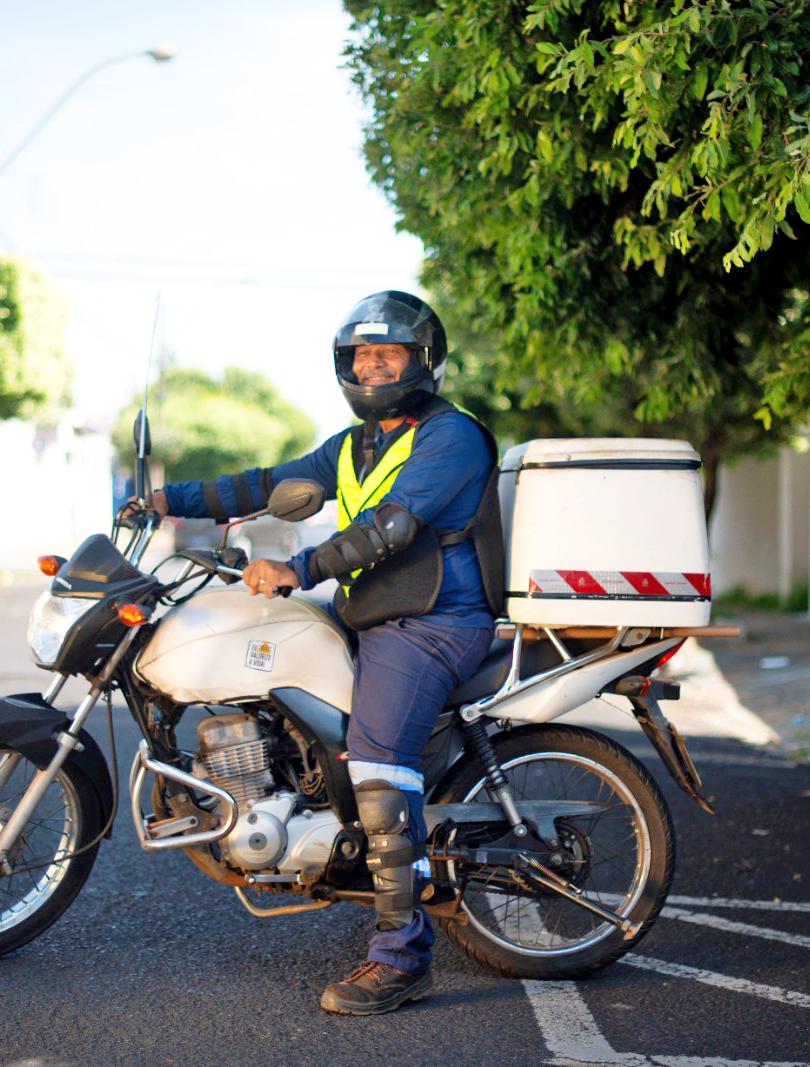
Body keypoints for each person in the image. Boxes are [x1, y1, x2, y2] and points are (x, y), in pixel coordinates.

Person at [136, 291, 502, 1015]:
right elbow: (264, 485)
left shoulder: (451, 438)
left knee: (375, 753)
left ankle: (402, 956)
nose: (372, 366)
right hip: (371, 608)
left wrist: (299, 569)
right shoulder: (352, 444)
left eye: (387, 354)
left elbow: (391, 527)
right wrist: (163, 499)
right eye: (362, 355)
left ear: (420, 362)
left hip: (434, 619)